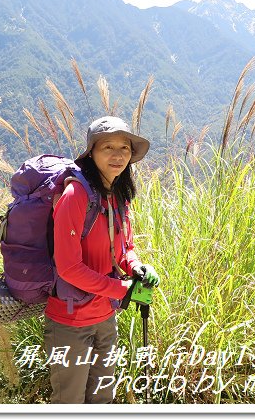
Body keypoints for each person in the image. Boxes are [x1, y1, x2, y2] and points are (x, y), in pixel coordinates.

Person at [43, 116, 160, 404]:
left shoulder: (117, 194)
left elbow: (124, 247)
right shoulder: (75, 195)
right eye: (108, 146)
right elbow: (69, 268)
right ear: (91, 152)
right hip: (71, 321)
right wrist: (123, 290)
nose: (118, 155)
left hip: (105, 316)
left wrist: (136, 266)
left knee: (103, 397)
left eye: (125, 147)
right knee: (70, 401)